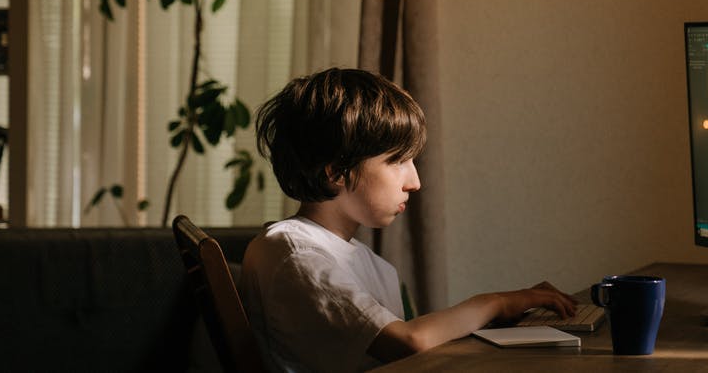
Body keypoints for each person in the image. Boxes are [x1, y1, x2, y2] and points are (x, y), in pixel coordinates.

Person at [239, 67, 576, 372]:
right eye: (397, 160)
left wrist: (499, 319)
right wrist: (496, 302)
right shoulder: (294, 252)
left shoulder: (359, 260)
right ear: (336, 171)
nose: (414, 182)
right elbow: (409, 343)